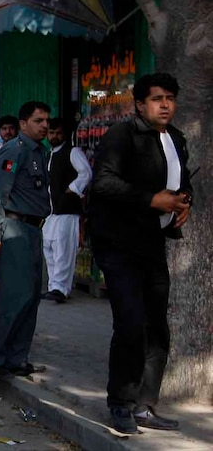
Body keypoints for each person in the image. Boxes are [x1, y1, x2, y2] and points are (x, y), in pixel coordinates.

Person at [88, 73, 190, 434]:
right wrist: (151, 199)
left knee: (156, 328)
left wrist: (182, 203)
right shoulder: (122, 135)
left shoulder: (176, 139)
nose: (165, 104)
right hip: (119, 246)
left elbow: (182, 182)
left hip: (153, 245)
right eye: (157, 98)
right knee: (130, 325)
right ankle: (120, 403)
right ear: (141, 104)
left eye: (170, 98)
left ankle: (146, 405)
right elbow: (102, 182)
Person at [0, 101, 51, 379]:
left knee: (32, 296)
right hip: (14, 229)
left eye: (46, 120)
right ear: (23, 124)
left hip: (33, 230)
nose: (44, 125)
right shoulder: (14, 150)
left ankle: (16, 358)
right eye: (38, 120)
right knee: (15, 296)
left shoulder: (39, 152)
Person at [42, 118, 92, 303]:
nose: (54, 136)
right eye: (51, 133)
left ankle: (61, 288)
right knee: (49, 249)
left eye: (58, 133)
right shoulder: (48, 154)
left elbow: (86, 172)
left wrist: (73, 188)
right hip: (50, 212)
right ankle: (52, 287)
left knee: (64, 250)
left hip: (67, 210)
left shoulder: (73, 152)